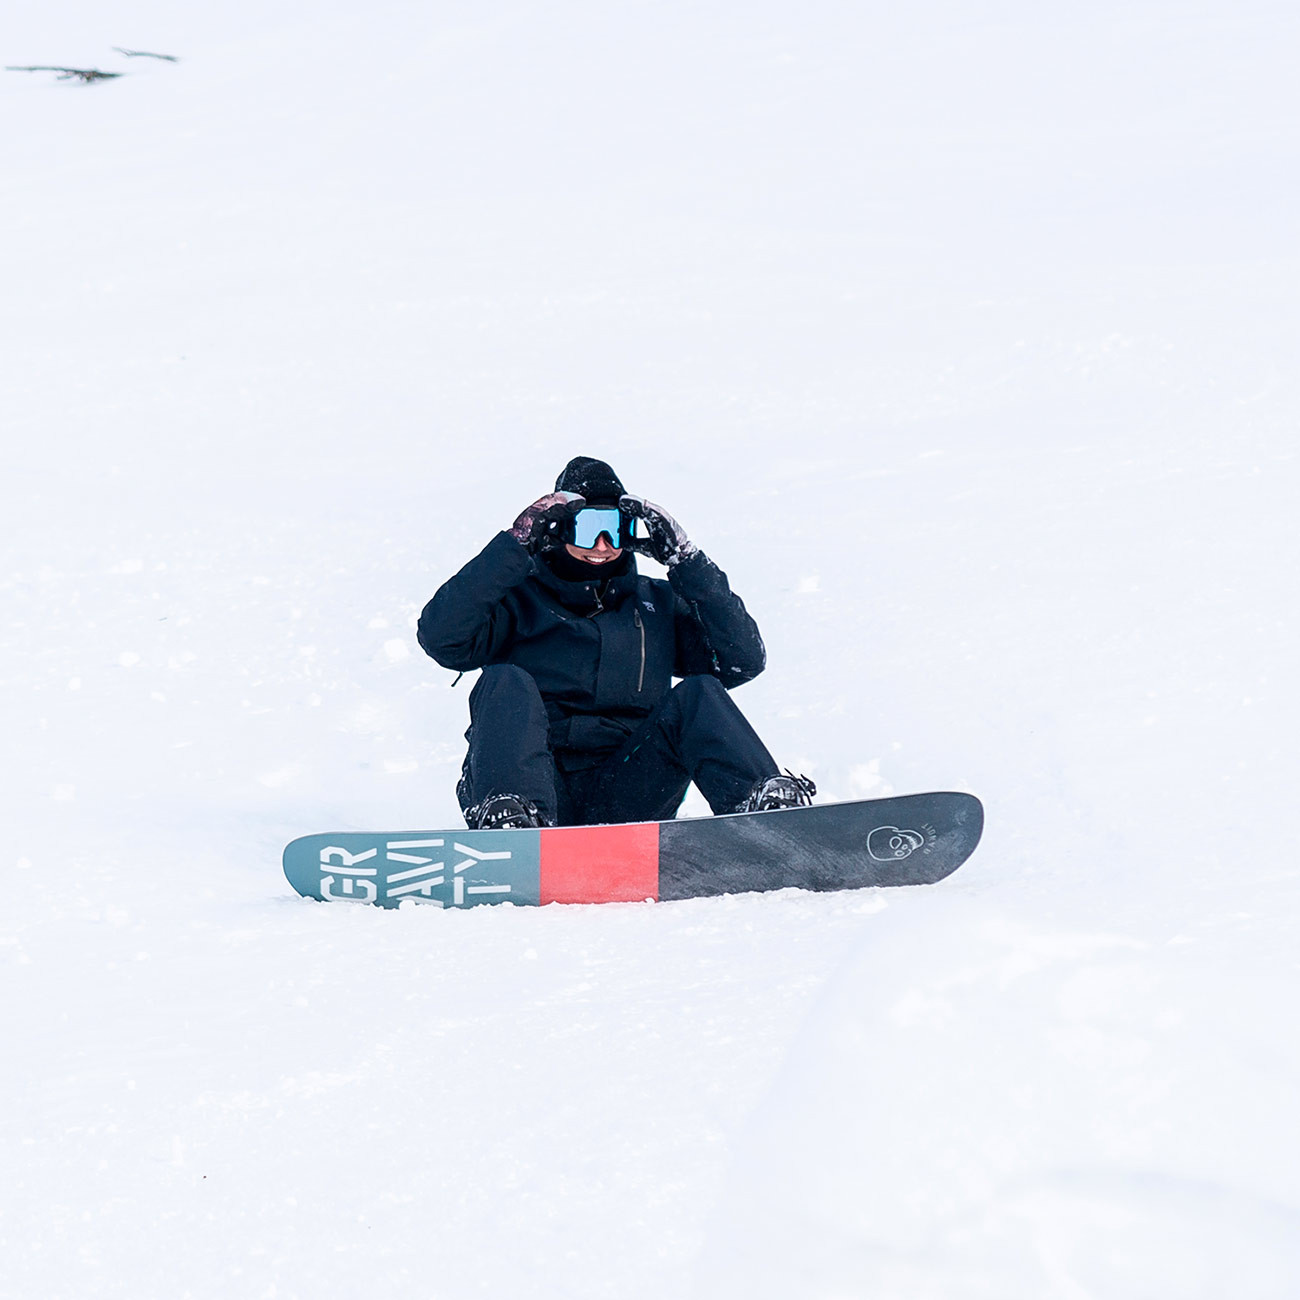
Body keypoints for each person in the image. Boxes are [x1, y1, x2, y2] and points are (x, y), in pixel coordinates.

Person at [417, 456, 814, 829]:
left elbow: (741, 661)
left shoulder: (656, 603)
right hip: (534, 784)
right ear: (558, 528)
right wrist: (514, 546)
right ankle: (511, 824)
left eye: (617, 529)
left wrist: (687, 561)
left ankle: (768, 819)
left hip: (630, 787)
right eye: (588, 528)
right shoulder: (516, 598)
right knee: (504, 680)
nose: (603, 544)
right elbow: (441, 638)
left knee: (699, 692)